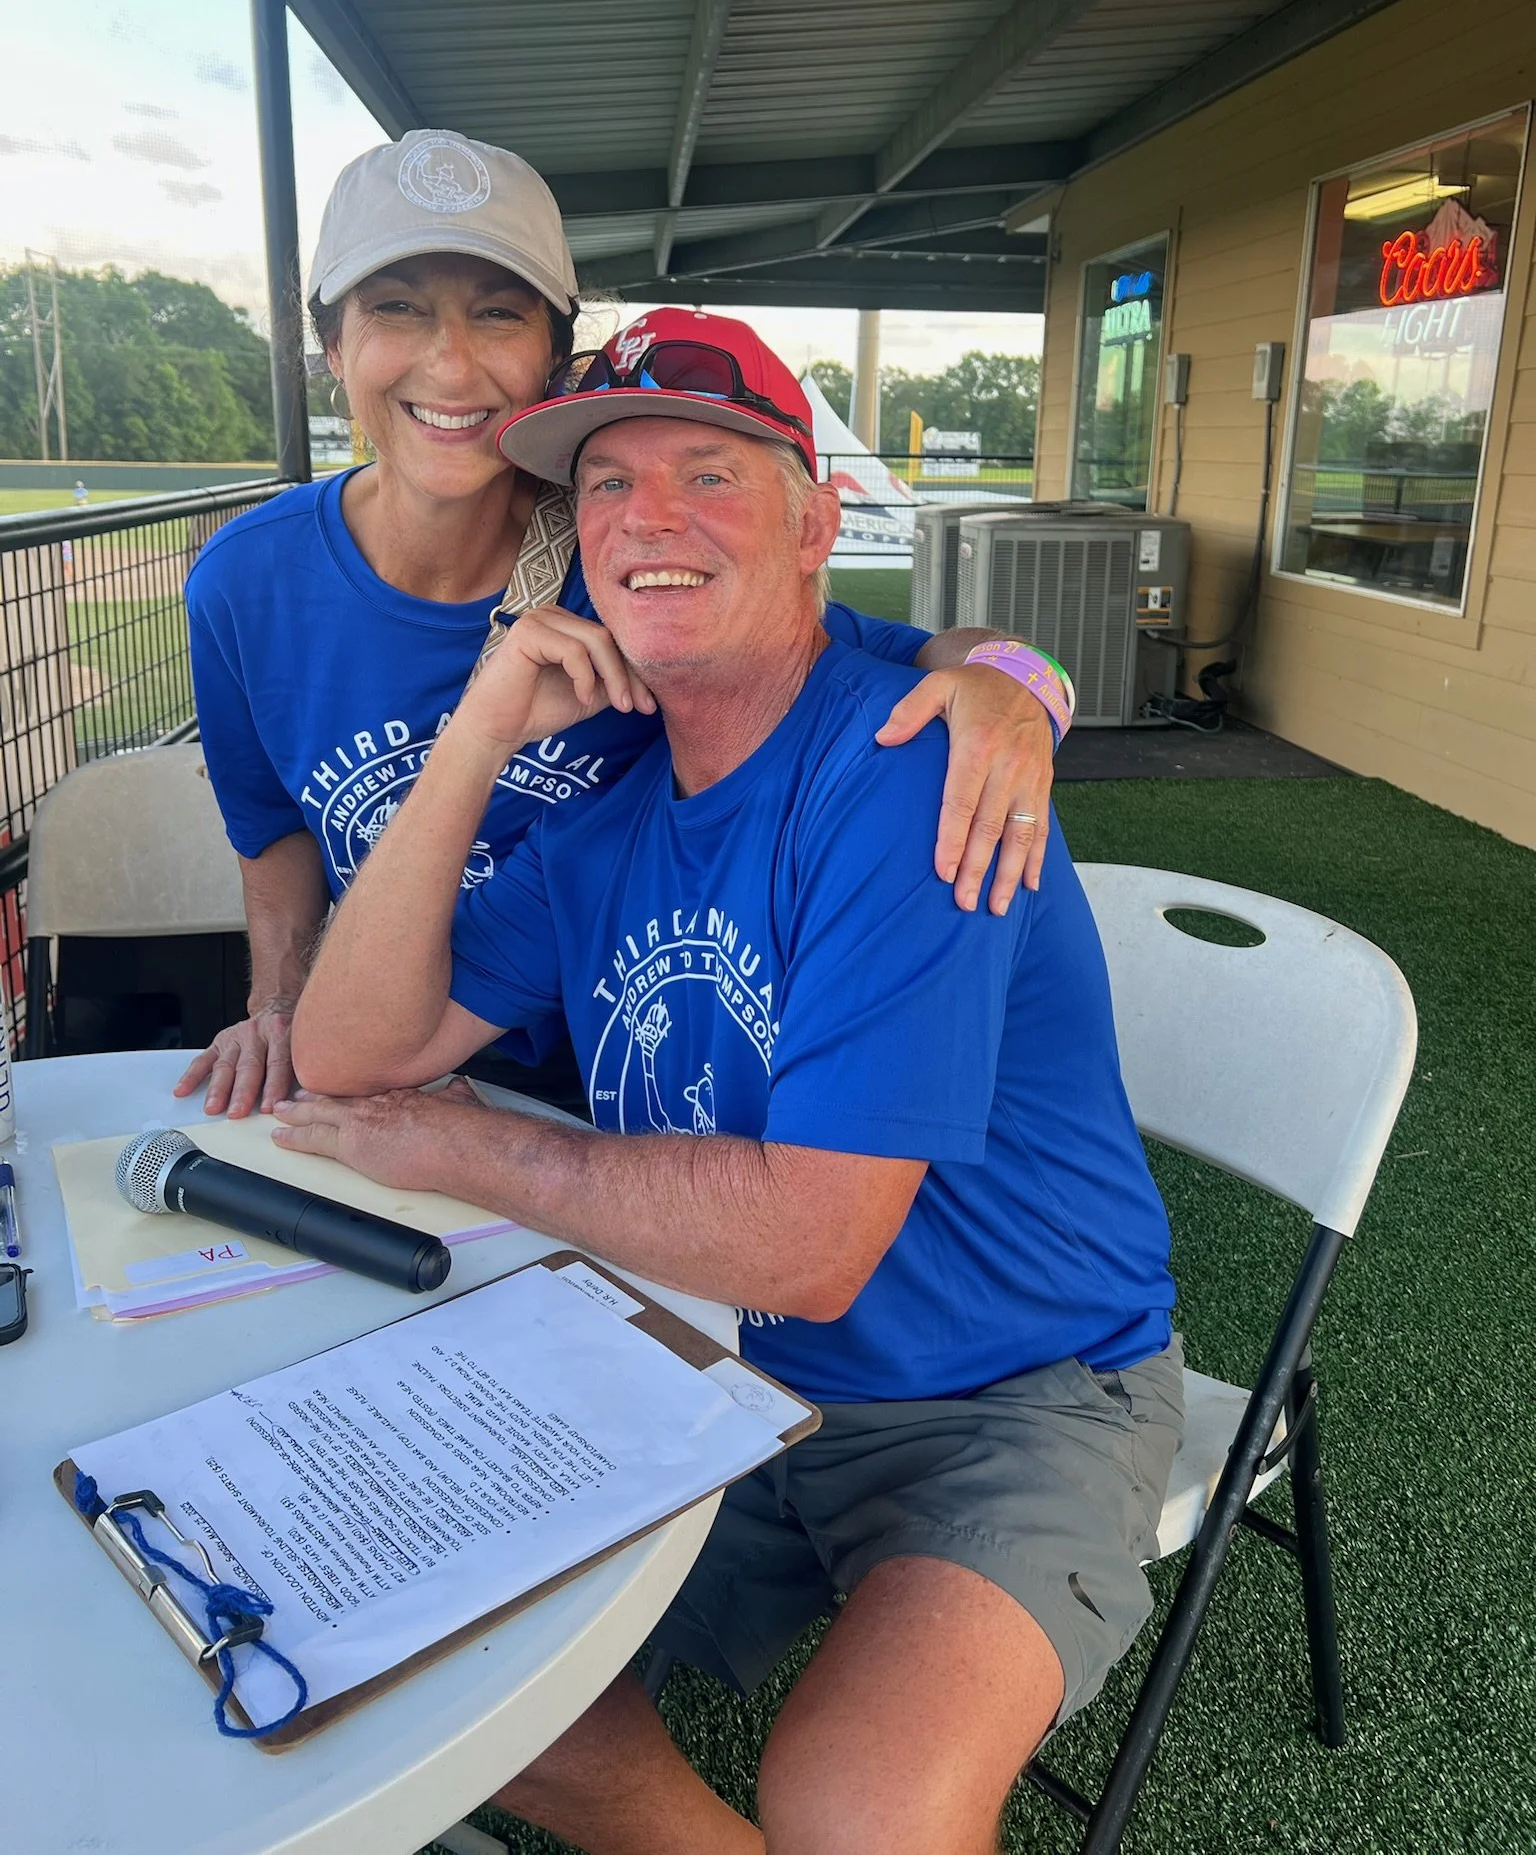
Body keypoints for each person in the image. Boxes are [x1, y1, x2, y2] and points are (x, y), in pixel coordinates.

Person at [276, 310, 1181, 1855]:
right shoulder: (615, 810)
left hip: (1004, 1392)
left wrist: (464, 1150)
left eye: (711, 472)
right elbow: (348, 1056)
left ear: (820, 521)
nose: (651, 519)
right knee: (395, 1630)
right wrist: (480, 728)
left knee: (861, 1809)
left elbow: (807, 1249)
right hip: (714, 1365)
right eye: (609, 487)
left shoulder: (913, 759)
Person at [177, 129, 1061, 1123]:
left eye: (498, 313)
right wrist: (280, 1010)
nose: (452, 361)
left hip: (627, 1076)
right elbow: (275, 841)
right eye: (397, 308)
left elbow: (881, 650)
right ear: (332, 346)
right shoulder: (245, 584)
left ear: (553, 356)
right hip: (402, 1040)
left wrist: (1023, 684)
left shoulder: (632, 564)